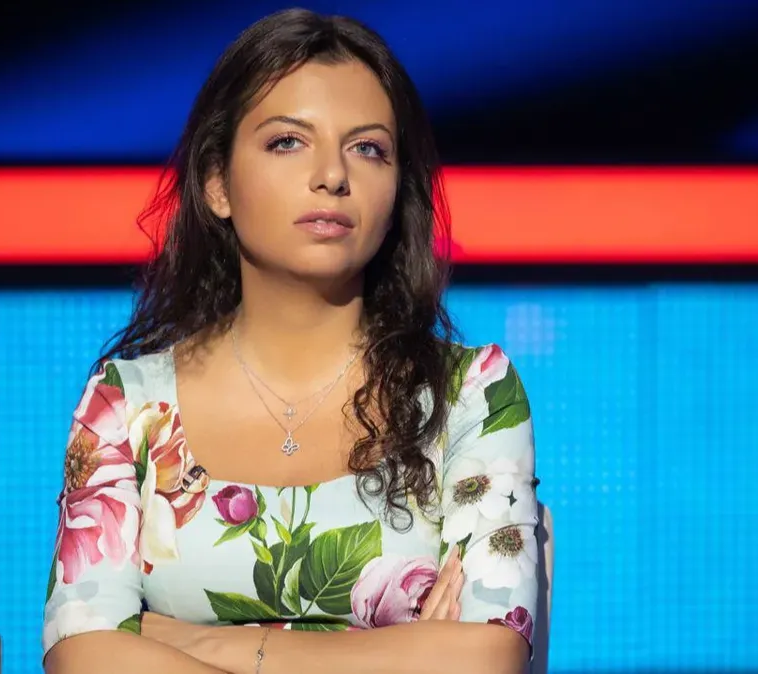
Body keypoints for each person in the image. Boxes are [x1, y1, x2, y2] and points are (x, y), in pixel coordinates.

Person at [41, 8, 539, 674]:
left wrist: (199, 642)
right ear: (217, 183)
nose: (332, 175)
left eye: (368, 148)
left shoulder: (470, 395)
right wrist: (396, 652)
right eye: (287, 141)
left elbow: (484, 658)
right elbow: (82, 656)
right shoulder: (125, 405)